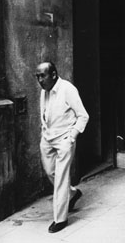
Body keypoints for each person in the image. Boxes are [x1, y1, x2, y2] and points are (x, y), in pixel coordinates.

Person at [36, 62, 89, 233]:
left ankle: (60, 219)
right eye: (37, 76)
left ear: (53, 74)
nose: (39, 80)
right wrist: (44, 133)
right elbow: (45, 114)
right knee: (50, 171)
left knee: (60, 177)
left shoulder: (68, 89)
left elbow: (83, 116)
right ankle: (72, 194)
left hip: (64, 139)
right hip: (47, 139)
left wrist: (71, 137)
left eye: (42, 76)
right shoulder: (44, 91)